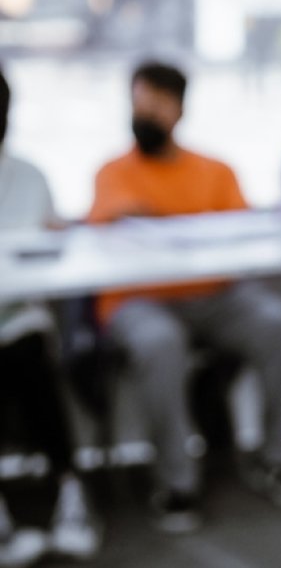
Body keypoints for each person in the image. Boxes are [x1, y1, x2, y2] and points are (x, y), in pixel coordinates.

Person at [87, 61, 281, 533]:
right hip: (138, 299)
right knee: (160, 345)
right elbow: (105, 229)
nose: (146, 113)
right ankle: (176, 482)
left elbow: (243, 234)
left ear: (179, 109)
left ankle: (279, 458)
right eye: (139, 102)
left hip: (213, 294)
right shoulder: (113, 172)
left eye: (157, 104)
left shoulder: (214, 170)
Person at [0, 66, 101, 565]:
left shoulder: (29, 175)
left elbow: (50, 249)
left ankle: (70, 493)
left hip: (18, 319)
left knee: (30, 361)